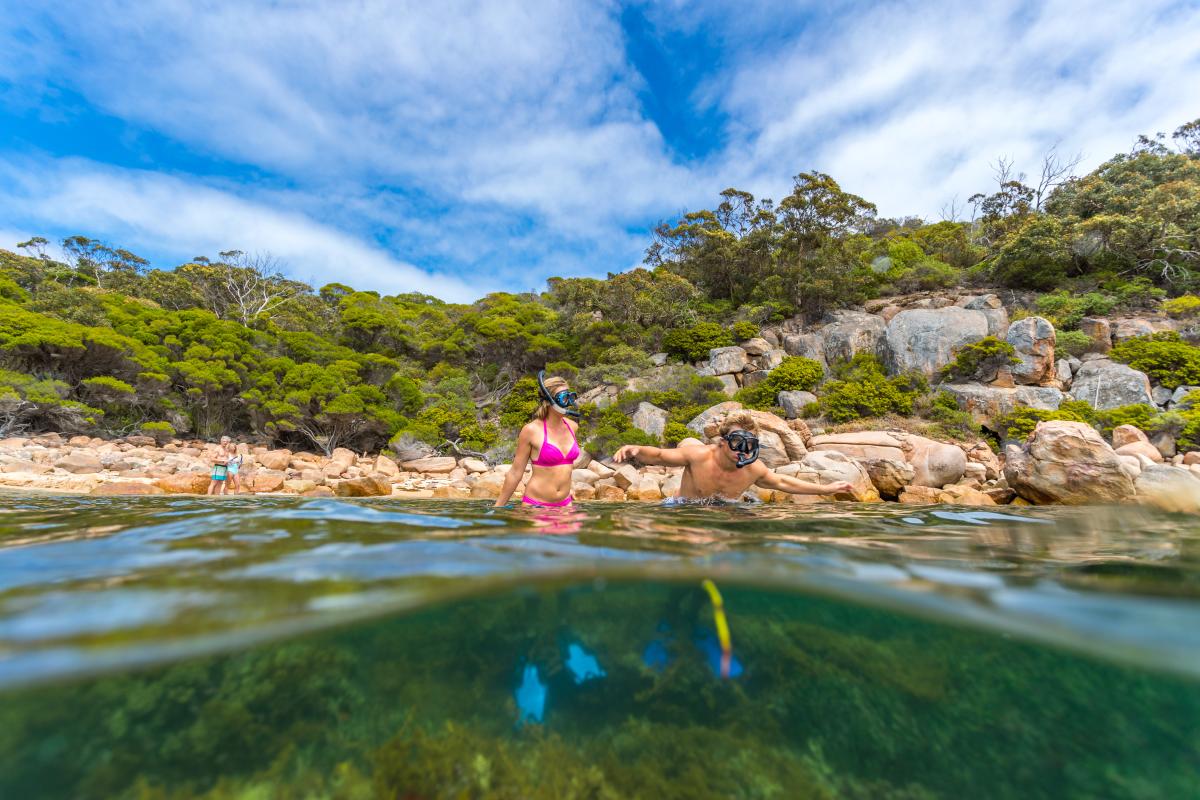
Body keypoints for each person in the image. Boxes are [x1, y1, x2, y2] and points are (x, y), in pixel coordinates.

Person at [613, 410, 852, 502]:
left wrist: (826, 488)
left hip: (729, 512)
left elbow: (782, 482)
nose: (742, 450)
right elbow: (660, 456)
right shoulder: (699, 456)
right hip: (684, 509)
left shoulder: (753, 469)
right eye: (737, 442)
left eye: (748, 444)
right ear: (723, 441)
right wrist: (636, 449)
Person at [494, 372, 580, 509]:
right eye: (563, 398)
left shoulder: (572, 427)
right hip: (536, 506)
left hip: (566, 505)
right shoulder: (531, 430)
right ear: (549, 400)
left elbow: (565, 467)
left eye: (570, 397)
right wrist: (497, 507)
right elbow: (516, 472)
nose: (568, 403)